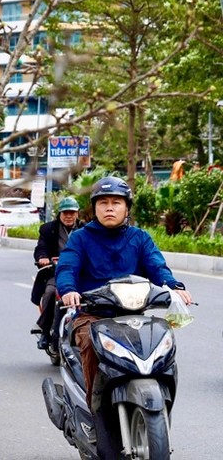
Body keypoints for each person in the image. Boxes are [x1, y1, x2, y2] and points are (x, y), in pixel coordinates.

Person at [56, 176, 192, 458]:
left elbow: (158, 267)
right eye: (103, 203)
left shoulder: (139, 238)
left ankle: (158, 414)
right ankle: (95, 414)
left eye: (116, 202)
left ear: (126, 207)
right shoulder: (81, 238)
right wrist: (69, 290)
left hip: (133, 316)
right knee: (92, 347)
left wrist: (174, 287)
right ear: (93, 208)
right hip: (93, 316)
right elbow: (67, 267)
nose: (109, 208)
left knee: (163, 347)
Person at [31, 196, 83, 350]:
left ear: (77, 214)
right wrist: (43, 258)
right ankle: (45, 332)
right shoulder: (48, 229)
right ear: (59, 213)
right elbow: (41, 247)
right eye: (65, 212)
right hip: (56, 272)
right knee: (50, 292)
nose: (69, 216)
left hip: (80, 274)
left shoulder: (86, 230)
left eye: (72, 213)